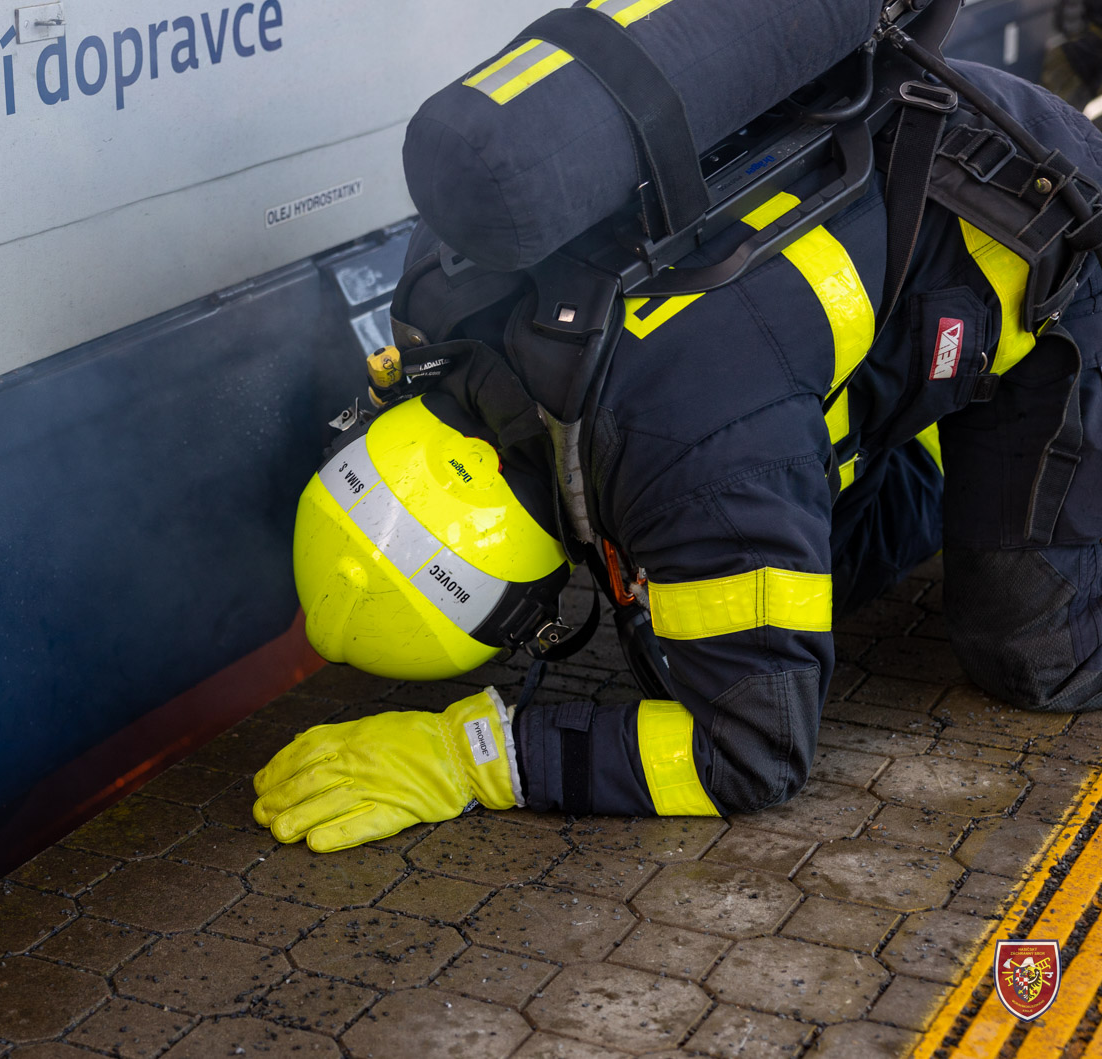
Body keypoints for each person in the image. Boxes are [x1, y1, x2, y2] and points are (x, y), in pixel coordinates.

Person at [251, 55, 1102, 853]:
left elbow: (754, 752)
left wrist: (473, 755)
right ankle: (945, 456)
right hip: (904, 140)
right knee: (778, 592)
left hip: (1047, 223)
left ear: (522, 605)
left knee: (1038, 657)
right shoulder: (441, 295)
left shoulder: (682, 462)